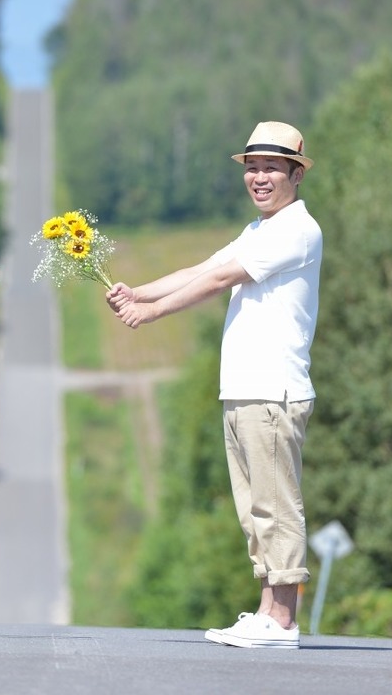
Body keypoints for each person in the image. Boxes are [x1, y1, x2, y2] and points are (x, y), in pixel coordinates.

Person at [106, 121, 321, 650]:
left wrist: (152, 313)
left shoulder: (297, 229)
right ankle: (269, 610)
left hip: (273, 389)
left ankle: (283, 621)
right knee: (254, 509)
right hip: (245, 389)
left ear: (296, 173)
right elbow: (204, 266)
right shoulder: (258, 230)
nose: (260, 177)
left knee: (276, 505)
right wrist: (139, 291)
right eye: (252, 168)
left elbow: (221, 280)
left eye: (271, 167)